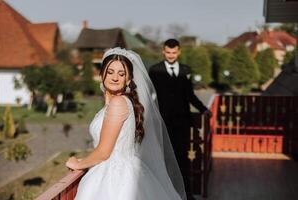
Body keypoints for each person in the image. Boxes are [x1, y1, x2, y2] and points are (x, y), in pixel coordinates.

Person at [66, 48, 187, 200]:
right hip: (126, 171)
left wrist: (78, 163)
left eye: (121, 74)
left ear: (128, 80)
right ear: (101, 74)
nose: (115, 77)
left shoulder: (118, 103)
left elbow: (104, 152)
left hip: (113, 179)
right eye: (110, 72)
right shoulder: (121, 103)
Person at [149, 39, 211, 198]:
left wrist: (203, 109)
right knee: (164, 160)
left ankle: (186, 195)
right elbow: (150, 96)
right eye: (168, 52)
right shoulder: (155, 70)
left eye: (174, 52)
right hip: (163, 123)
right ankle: (165, 194)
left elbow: (189, 95)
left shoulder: (185, 70)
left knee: (183, 161)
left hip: (182, 123)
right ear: (163, 51)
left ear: (179, 52)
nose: (171, 55)